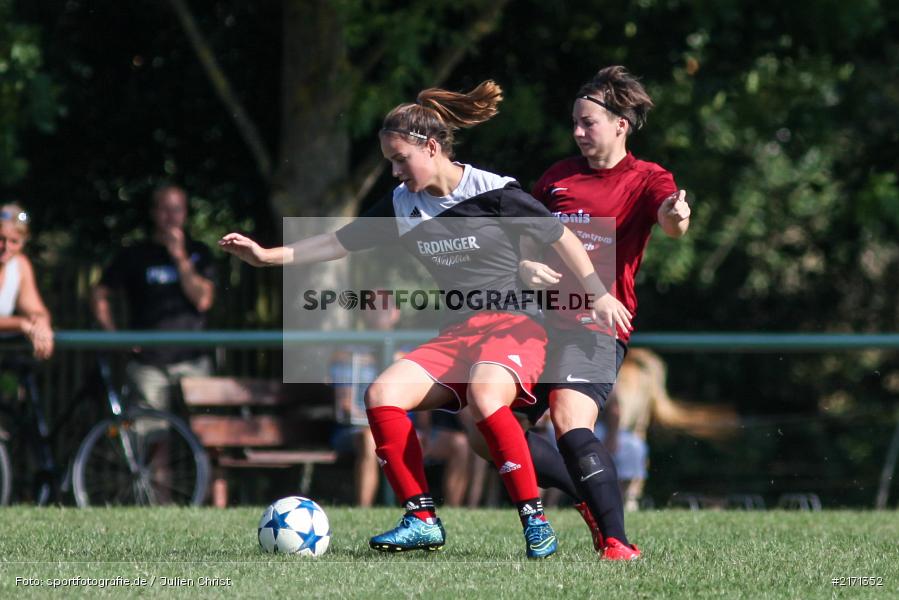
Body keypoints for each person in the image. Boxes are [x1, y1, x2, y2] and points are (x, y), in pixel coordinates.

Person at [221, 80, 615, 558]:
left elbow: (561, 238)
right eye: (389, 160)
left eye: (400, 158)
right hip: (460, 333)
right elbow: (336, 242)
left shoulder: (494, 191)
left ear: (431, 147)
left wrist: (596, 294)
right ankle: (421, 516)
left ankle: (535, 521)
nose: (394, 171)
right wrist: (268, 256)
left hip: (516, 326)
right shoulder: (402, 205)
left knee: (488, 399)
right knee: (381, 394)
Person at [517, 66, 691, 560]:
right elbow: (525, 241)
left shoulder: (648, 178)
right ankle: (588, 498)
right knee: (490, 431)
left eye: (587, 122)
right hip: (537, 323)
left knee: (571, 419)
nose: (577, 132)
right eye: (574, 122)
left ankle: (617, 542)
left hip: (595, 325)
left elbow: (671, 219)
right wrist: (526, 265)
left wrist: (678, 215)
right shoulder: (555, 178)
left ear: (621, 124)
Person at [91, 183, 216, 414]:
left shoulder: (199, 253)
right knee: (154, 439)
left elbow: (203, 300)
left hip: (193, 360)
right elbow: (100, 292)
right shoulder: (135, 254)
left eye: (177, 209)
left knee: (204, 435)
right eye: (164, 209)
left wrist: (179, 258)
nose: (171, 216)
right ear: (153, 212)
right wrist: (114, 335)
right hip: (148, 364)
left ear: (185, 212)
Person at [0, 204, 54, 360]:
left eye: (14, 241)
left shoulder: (20, 265)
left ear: (23, 243)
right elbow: (23, 322)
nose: (6, 248)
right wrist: (21, 324)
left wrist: (41, 324)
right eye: (0, 239)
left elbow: (35, 309)